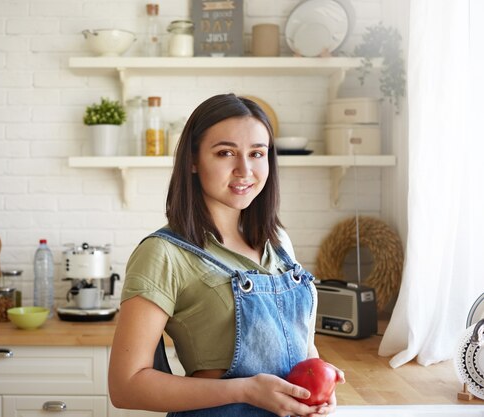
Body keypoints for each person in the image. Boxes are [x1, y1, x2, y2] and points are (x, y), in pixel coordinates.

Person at [108, 93, 344, 417]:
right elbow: (126, 386)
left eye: (257, 153)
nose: (244, 170)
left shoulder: (278, 243)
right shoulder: (163, 254)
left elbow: (300, 348)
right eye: (225, 153)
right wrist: (246, 390)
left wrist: (318, 381)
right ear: (193, 160)